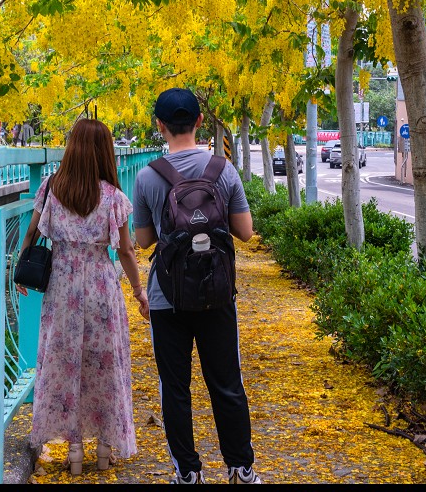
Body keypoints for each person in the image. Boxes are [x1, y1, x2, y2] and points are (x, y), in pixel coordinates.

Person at [132, 88, 262, 485]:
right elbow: (245, 232)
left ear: (160, 126)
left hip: (166, 298)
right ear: (200, 123)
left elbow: (142, 241)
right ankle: (240, 469)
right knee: (226, 382)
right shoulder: (224, 170)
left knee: (175, 388)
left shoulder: (147, 176)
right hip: (217, 293)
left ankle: (188, 474)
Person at [18, 118, 150, 475]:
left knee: (64, 364)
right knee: (104, 364)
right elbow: (125, 251)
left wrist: (20, 267)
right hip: (101, 288)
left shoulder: (50, 188)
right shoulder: (113, 197)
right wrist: (139, 291)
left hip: (61, 287)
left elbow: (31, 231)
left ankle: (73, 450)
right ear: (106, 152)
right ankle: (105, 449)